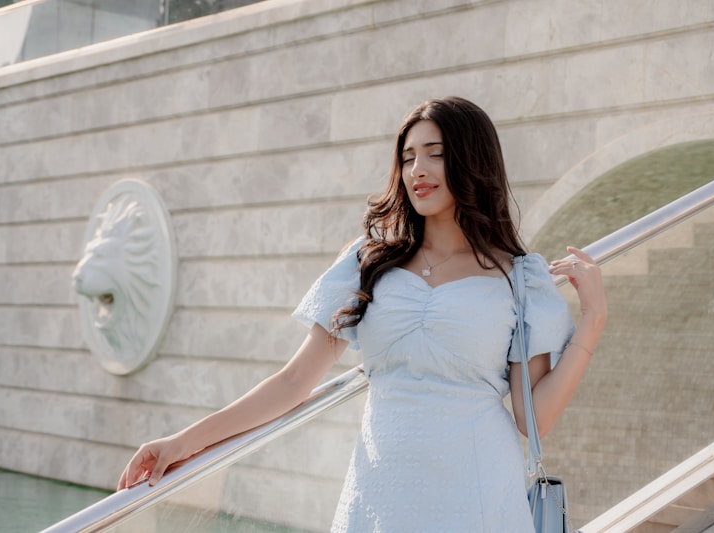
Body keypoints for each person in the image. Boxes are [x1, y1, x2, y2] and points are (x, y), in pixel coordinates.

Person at [118, 96, 607, 531]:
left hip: (478, 496)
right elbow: (293, 383)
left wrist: (592, 321)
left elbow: (533, 416)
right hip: (380, 495)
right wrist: (181, 443)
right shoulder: (369, 263)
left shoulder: (518, 278)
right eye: (408, 156)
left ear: (473, 162)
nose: (418, 169)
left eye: (436, 154)